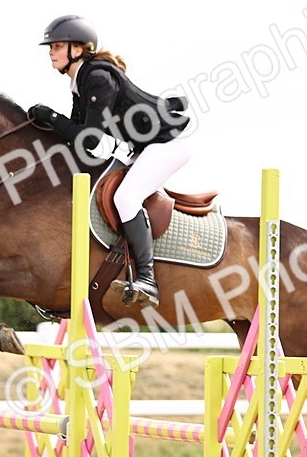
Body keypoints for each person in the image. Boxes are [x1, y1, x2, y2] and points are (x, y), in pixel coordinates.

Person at [28, 15, 191, 308]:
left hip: (168, 144)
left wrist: (51, 117)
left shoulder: (97, 78)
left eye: (56, 46)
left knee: (126, 197)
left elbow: (88, 138)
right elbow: (81, 140)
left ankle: (147, 280)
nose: (50, 51)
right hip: (143, 144)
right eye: (50, 46)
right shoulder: (81, 82)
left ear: (78, 49)